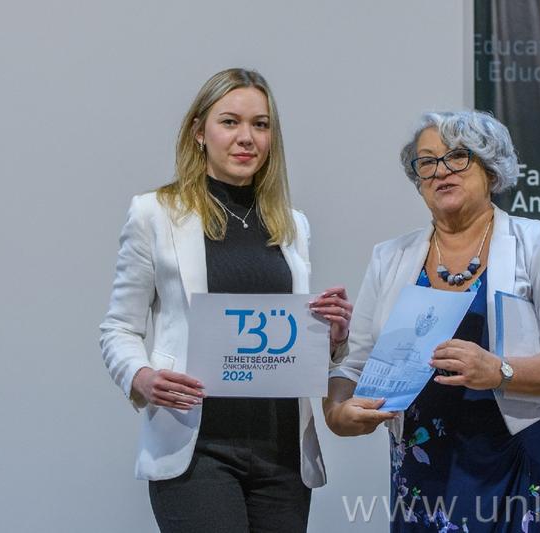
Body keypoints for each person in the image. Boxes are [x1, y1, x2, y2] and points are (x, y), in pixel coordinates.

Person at [100, 68, 352, 533]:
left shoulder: (293, 224)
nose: (247, 138)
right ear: (199, 132)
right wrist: (142, 377)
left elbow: (287, 342)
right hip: (196, 450)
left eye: (260, 124)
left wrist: (332, 338)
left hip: (282, 452)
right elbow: (119, 329)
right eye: (230, 122)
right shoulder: (154, 213)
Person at [324, 110, 540, 532]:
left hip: (523, 462)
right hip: (422, 471)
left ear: (491, 169)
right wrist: (338, 413)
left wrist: (500, 371)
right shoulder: (390, 257)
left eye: (457, 156)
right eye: (427, 161)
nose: (440, 170)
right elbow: (354, 366)